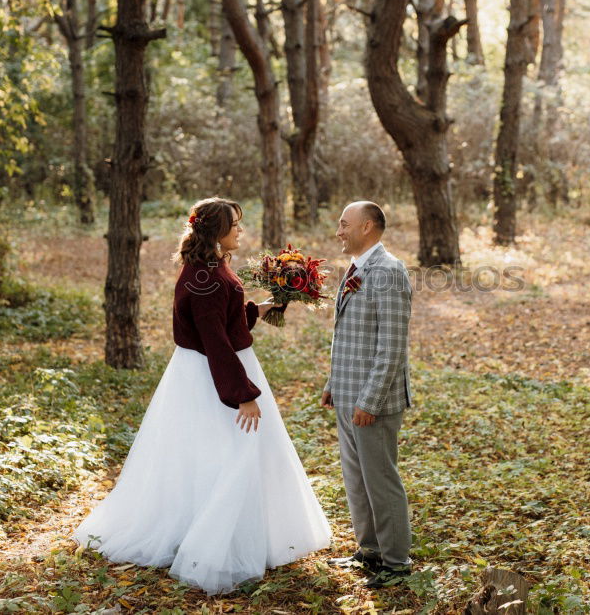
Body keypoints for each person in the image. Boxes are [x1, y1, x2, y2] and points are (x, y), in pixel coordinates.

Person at [72, 197, 331, 595]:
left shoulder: (211, 268)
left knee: (227, 453)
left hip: (217, 366)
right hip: (211, 377)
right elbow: (214, 342)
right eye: (235, 225)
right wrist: (242, 393)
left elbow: (223, 322)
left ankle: (241, 531)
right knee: (226, 452)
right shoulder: (204, 276)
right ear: (215, 231)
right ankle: (212, 541)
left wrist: (258, 310)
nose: (240, 231)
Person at [321, 201, 414, 589]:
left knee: (380, 479)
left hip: (372, 402)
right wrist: (333, 383)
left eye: (345, 224)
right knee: (356, 478)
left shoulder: (389, 272)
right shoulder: (357, 268)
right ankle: (370, 550)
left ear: (369, 227)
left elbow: (391, 348)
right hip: (347, 392)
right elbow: (349, 334)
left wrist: (369, 401)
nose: (339, 230)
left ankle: (396, 563)